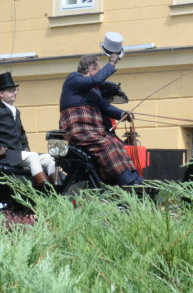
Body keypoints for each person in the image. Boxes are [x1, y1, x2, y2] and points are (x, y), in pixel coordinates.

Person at [59, 32, 143, 187]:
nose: (100, 75)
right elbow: (97, 79)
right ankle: (129, 183)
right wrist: (111, 63)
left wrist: (122, 114)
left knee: (117, 145)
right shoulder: (73, 79)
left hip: (92, 132)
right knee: (107, 145)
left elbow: (105, 107)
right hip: (79, 131)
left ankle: (136, 181)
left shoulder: (94, 91)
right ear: (91, 69)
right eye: (98, 70)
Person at [0, 71, 58, 185]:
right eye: (10, 91)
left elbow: (22, 132)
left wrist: (25, 147)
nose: (14, 93)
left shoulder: (16, 111)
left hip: (19, 154)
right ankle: (44, 187)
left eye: (15, 90)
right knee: (33, 157)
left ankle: (57, 187)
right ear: (1, 93)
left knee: (50, 159)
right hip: (6, 155)